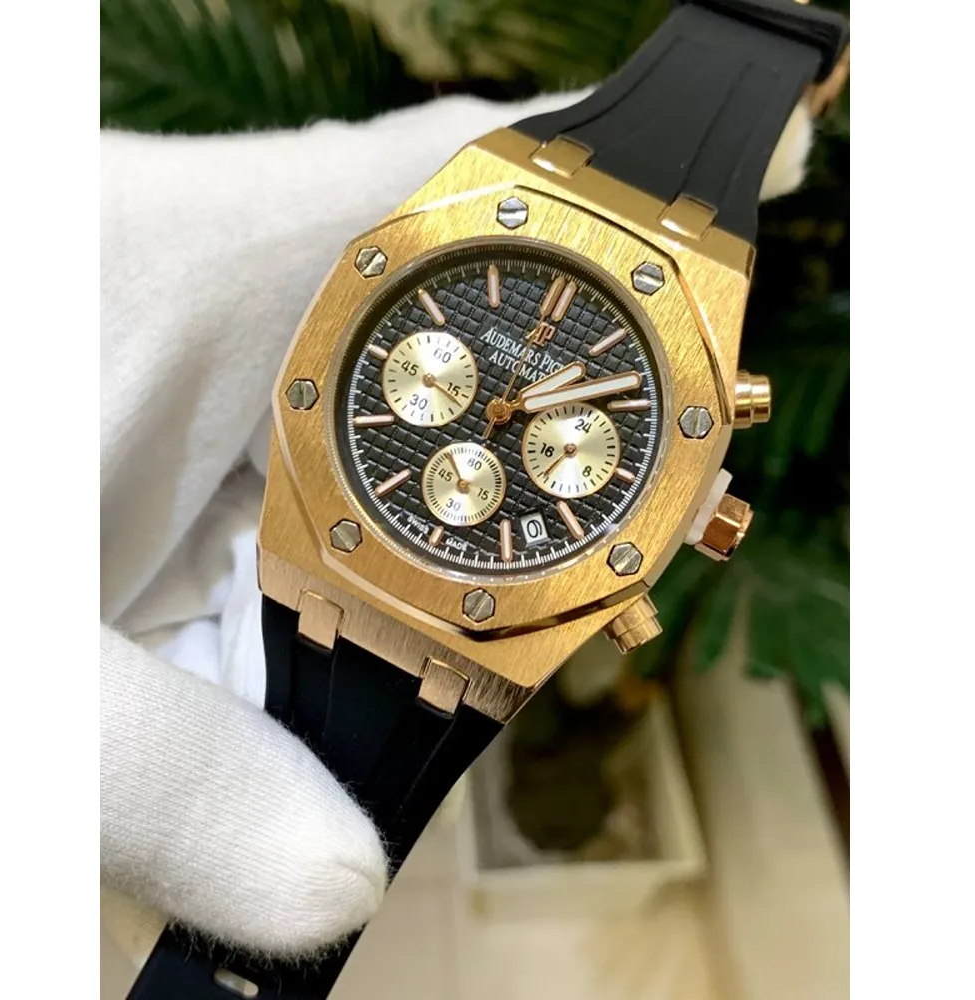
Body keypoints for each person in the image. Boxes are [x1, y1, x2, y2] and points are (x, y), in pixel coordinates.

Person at [96, 90, 812, 966]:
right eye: (499, 407)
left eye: (513, 414)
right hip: (329, 542)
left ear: (706, 516)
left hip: (453, 603)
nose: (500, 413)